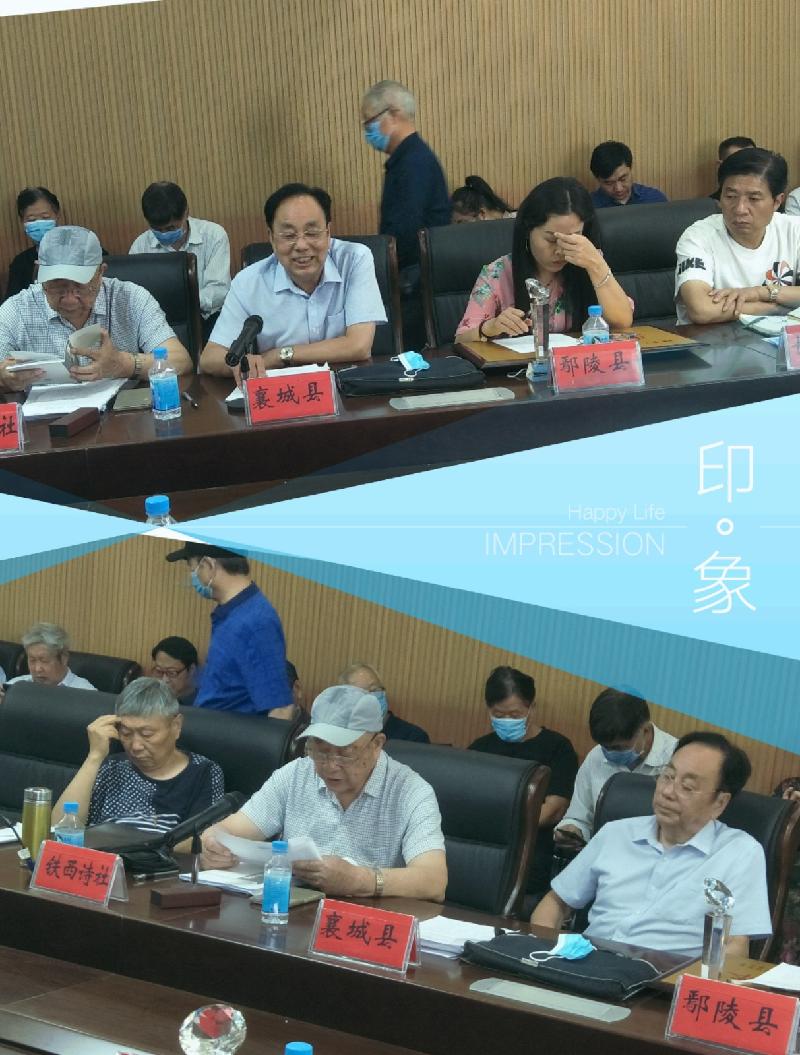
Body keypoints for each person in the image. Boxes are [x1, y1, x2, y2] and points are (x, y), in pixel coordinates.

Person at [533, 733, 772, 958]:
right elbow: (556, 902)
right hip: (588, 964)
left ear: (720, 803)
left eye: (687, 787)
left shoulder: (739, 853)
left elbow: (735, 946)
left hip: (663, 979)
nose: (667, 792)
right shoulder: (616, 833)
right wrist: (548, 956)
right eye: (668, 776)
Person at [201, 685, 447, 900]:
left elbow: (434, 881)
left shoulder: (411, 792)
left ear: (376, 744)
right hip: (295, 915)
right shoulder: (296, 774)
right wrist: (212, 843)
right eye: (319, 750)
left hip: (366, 922)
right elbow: (230, 830)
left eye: (345, 753)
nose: (330, 766)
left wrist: (361, 880)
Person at [200, 183, 386, 381]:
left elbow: (359, 346)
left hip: (347, 388)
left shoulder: (354, 259)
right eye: (289, 235)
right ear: (272, 238)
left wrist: (280, 355)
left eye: (312, 233)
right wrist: (245, 363)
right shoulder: (249, 282)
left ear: (328, 232)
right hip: (285, 392)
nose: (302, 245)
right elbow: (210, 358)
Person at [0, 226, 191, 393]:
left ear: (101, 272)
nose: (70, 300)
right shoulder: (15, 310)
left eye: (80, 286)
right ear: (39, 272)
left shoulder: (131, 299)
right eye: (57, 286)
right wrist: (4, 377)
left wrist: (124, 364)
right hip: (44, 419)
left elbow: (180, 361)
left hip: (120, 417)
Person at [455, 177, 633, 344]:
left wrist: (596, 264)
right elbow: (461, 340)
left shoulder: (589, 260)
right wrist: (489, 328)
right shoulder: (498, 273)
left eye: (572, 239)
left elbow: (623, 322)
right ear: (528, 230)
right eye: (552, 239)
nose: (560, 250)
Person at [52, 677, 224, 835]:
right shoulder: (110, 767)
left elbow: (201, 840)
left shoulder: (204, 773)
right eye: (126, 733)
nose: (135, 746)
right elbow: (58, 827)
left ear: (176, 726)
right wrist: (94, 757)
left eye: (147, 734)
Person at [469, 666, 578, 894]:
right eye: (499, 715)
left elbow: (553, 810)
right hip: (480, 853)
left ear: (531, 708)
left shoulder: (558, 748)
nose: (507, 720)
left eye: (515, 715)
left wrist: (499, 821)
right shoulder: (479, 749)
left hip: (532, 856)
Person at [165, 541, 292, 716]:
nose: (193, 576)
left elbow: (281, 709)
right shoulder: (232, 613)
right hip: (210, 726)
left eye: (193, 569)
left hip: (231, 732)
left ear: (209, 565)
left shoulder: (255, 622)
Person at [675, 148, 800, 325]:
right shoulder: (698, 237)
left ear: (777, 202)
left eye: (753, 199)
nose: (740, 209)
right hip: (708, 340)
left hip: (776, 339)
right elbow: (701, 310)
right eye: (731, 196)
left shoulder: (793, 230)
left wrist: (760, 292)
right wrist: (776, 308)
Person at [554, 689, 677, 846]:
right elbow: (579, 817)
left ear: (645, 730)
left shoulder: (678, 759)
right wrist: (572, 829)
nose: (610, 753)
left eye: (619, 747)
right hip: (603, 852)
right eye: (605, 747)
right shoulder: (596, 756)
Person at [360, 79, 449, 273]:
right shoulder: (410, 157)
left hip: (416, 275)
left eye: (369, 122)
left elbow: (405, 232)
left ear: (393, 115)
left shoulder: (413, 163)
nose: (367, 132)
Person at [130, 181, 231, 343]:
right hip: (158, 323)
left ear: (186, 212)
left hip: (208, 319)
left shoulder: (214, 235)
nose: (164, 234)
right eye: (157, 230)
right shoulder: (140, 246)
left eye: (171, 228)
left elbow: (219, 290)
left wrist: (184, 303)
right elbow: (134, 297)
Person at [339, 661, 430, 742]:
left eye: (374, 689)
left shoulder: (413, 737)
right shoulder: (340, 735)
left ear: (383, 692)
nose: (369, 697)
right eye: (359, 694)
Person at [5, 186, 61, 302]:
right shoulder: (20, 263)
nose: (39, 223)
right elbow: (10, 305)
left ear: (57, 215)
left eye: (45, 217)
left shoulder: (80, 251)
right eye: (31, 220)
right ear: (22, 222)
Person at [6, 622, 96, 690]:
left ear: (63, 658)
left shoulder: (85, 693)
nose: (37, 669)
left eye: (44, 661)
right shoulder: (15, 687)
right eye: (32, 660)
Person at [589, 141, 667, 208]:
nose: (618, 189)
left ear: (630, 169)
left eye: (623, 179)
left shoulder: (654, 199)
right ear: (597, 179)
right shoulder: (588, 207)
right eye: (609, 183)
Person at [151, 636, 199, 706]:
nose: (164, 680)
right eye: (159, 671)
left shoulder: (203, 704)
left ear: (191, 670)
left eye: (171, 673)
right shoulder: (149, 701)